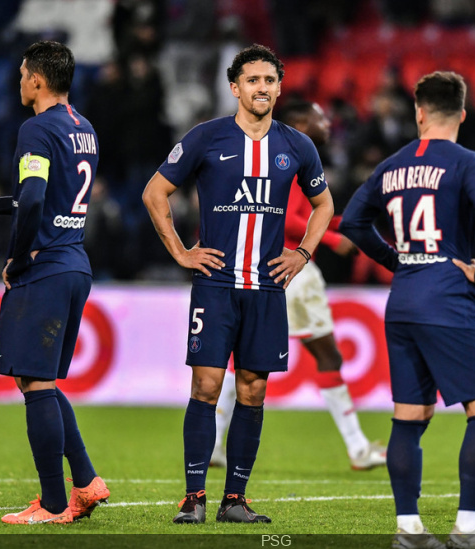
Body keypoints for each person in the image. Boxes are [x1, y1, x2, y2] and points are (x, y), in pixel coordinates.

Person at [142, 44, 334, 524]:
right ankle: (193, 498)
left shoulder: (297, 146)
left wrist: (302, 254)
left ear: (279, 87)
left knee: (253, 392)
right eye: (252, 80)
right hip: (217, 285)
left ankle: (234, 501)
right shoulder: (206, 138)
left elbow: (324, 206)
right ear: (235, 87)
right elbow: (154, 192)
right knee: (206, 387)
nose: (262, 88)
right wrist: (181, 252)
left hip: (266, 288)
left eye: (270, 80)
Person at [0, 40, 109, 525]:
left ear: (36, 79)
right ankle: (87, 480)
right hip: (75, 262)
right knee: (42, 380)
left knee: (33, 383)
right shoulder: (84, 129)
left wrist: (15, 259)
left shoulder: (36, 128)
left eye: (21, 74)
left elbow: (33, 203)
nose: (17, 82)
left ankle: (53, 503)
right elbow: (43, 196)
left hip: (47, 266)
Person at [340, 71, 475, 549]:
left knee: (409, 416)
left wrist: (396, 260)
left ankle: (410, 532)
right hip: (446, 296)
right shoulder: (466, 160)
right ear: (462, 113)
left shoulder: (391, 165)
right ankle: (469, 528)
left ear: (417, 112)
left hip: (403, 298)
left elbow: (353, 222)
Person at [210, 100, 386, 471]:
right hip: (296, 270)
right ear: (303, 123)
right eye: (322, 117)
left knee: (240, 357)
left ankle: (212, 444)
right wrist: (332, 239)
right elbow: (289, 218)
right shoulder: (290, 157)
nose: (327, 123)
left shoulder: (268, 153)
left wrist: (342, 223)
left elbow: (297, 213)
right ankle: (357, 448)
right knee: (328, 356)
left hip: (262, 266)